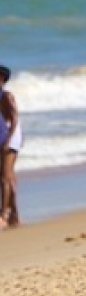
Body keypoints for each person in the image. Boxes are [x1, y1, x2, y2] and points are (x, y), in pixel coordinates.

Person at [0, 65, 20, 228]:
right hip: (5, 134)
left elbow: (14, 119)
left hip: (12, 135)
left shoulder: (7, 96)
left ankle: (4, 216)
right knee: (9, 177)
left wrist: (8, 140)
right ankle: (15, 216)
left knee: (5, 177)